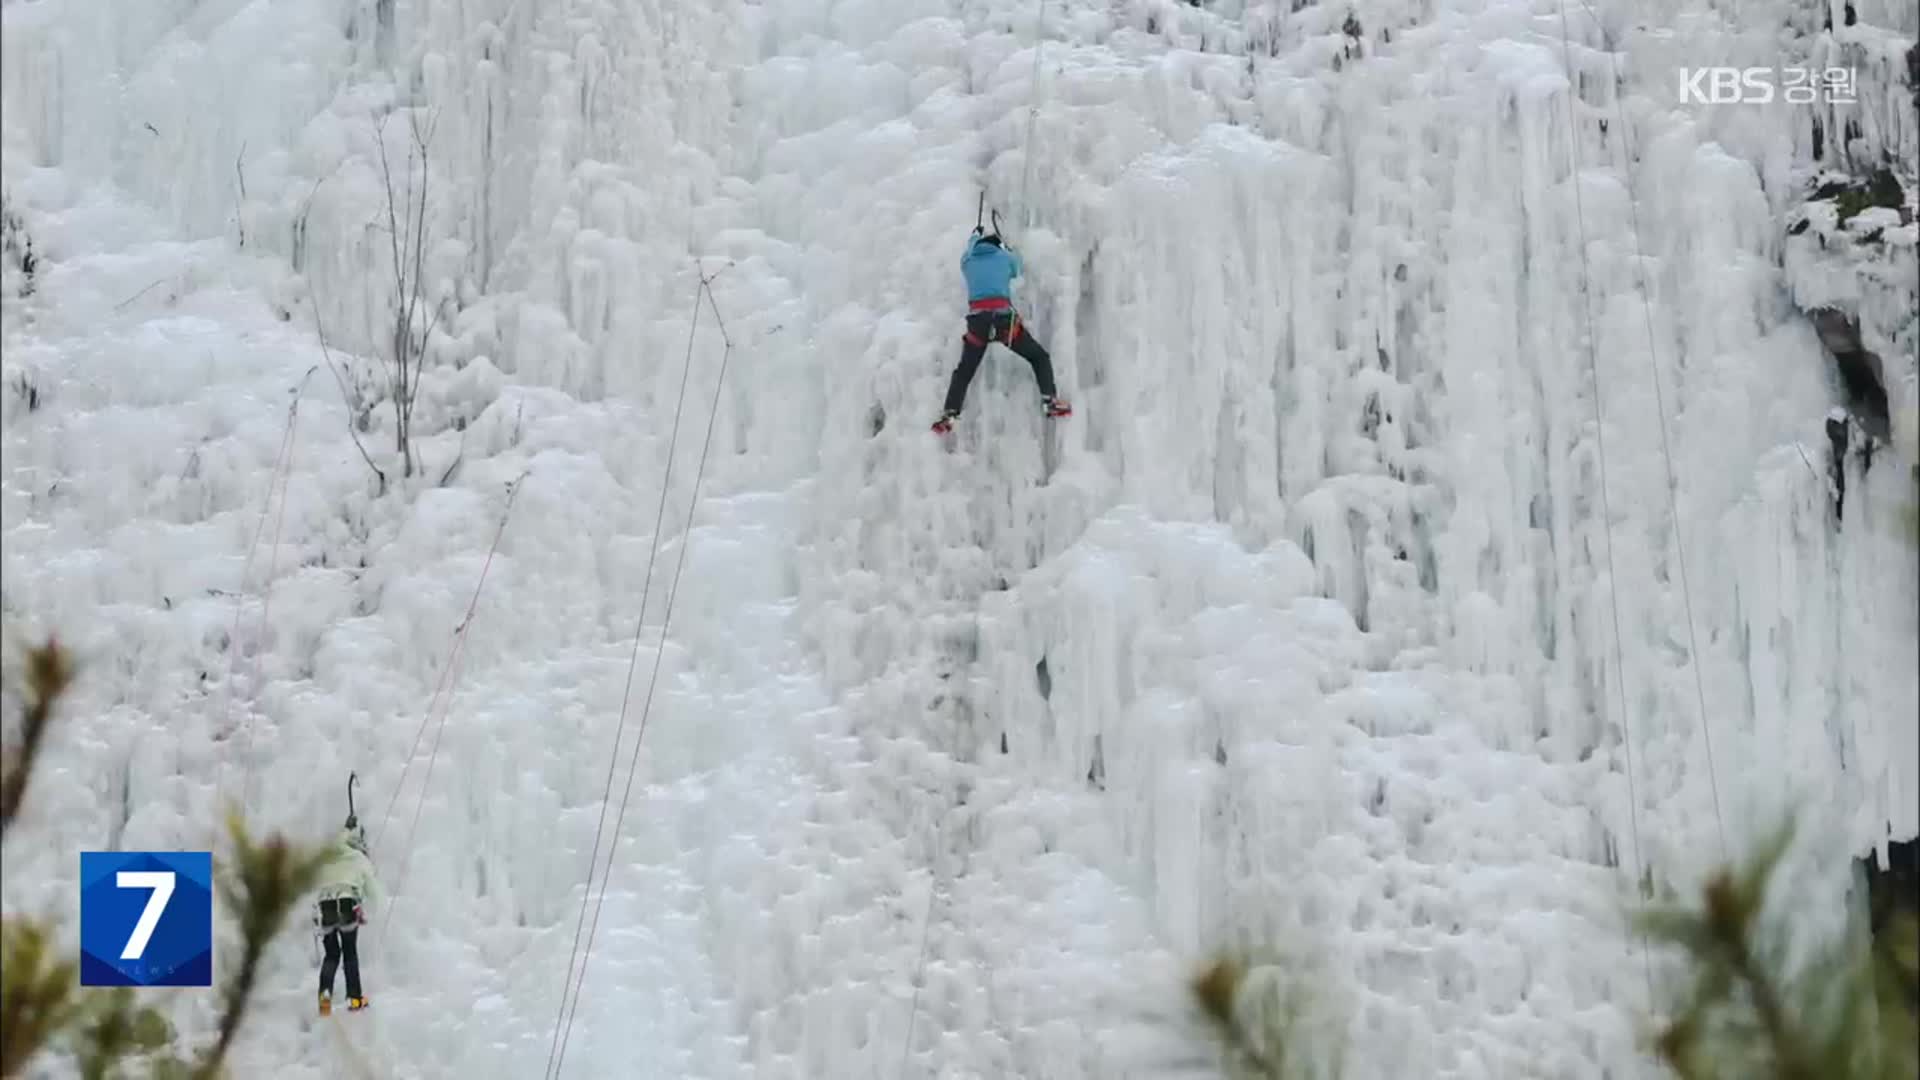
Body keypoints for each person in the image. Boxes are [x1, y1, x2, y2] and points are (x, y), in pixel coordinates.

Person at [933, 227, 1072, 434]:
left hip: (977, 326)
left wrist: (974, 237)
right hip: (1004, 323)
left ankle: (950, 413)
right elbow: (1017, 267)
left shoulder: (968, 262)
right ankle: (1050, 401)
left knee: (964, 372)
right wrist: (1007, 248)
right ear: (997, 246)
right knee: (1039, 357)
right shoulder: (1004, 258)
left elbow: (969, 250)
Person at [313, 815, 382, 1015]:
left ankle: (324, 1000)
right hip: (346, 902)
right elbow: (373, 889)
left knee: (332, 954)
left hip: (325, 904)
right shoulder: (358, 858)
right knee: (349, 952)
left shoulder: (329, 857)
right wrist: (377, 905)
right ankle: (355, 999)